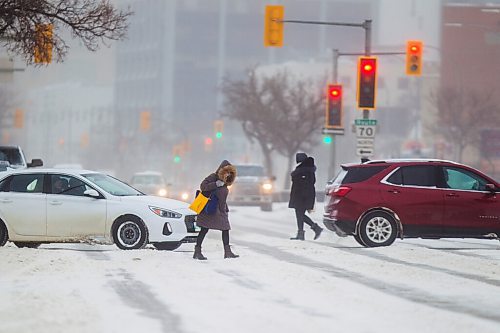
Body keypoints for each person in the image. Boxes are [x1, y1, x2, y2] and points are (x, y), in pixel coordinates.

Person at [193, 160, 238, 260]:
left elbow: (222, 197)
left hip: (219, 211)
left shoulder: (226, 181)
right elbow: (203, 186)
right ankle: (197, 251)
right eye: (226, 171)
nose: (227, 174)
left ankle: (227, 252)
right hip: (209, 209)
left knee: (225, 229)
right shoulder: (213, 177)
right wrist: (216, 184)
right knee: (204, 229)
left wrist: (225, 209)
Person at [288, 152, 323, 241]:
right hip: (303, 195)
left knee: (299, 214)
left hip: (302, 196)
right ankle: (304, 232)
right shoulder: (307, 170)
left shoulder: (304, 170)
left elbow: (305, 184)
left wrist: (302, 195)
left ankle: (311, 229)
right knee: (299, 214)